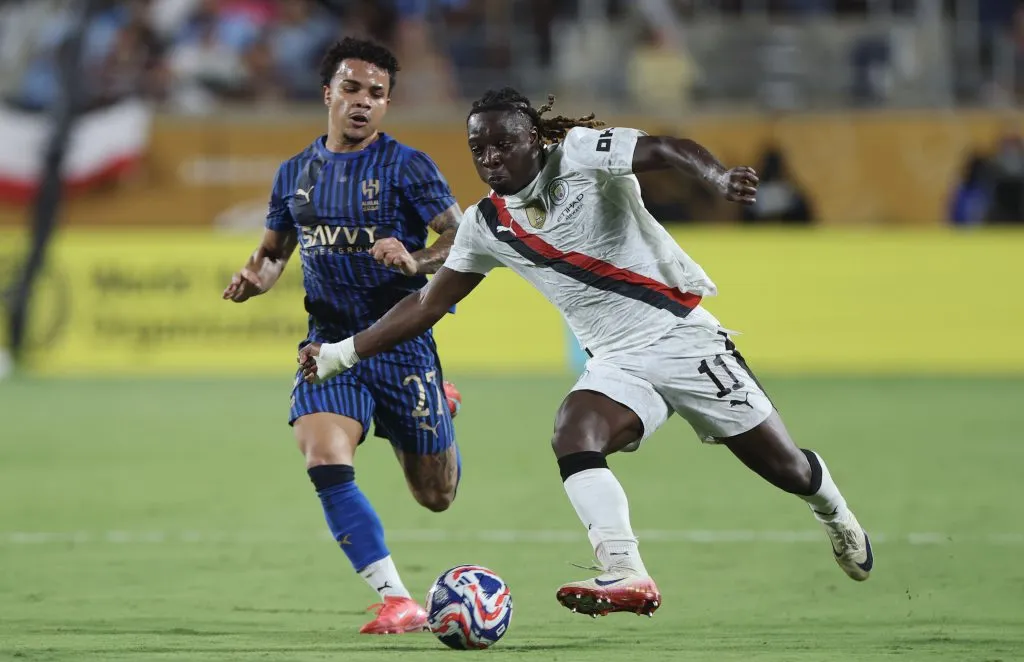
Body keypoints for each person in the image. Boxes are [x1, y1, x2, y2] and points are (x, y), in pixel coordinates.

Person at [297, 88, 873, 618]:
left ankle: (834, 512)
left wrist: (718, 178)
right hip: (618, 361)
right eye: (479, 148)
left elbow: (669, 148)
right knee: (573, 432)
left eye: (503, 143)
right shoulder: (486, 225)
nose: (491, 158)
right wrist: (340, 354)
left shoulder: (579, 154)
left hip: (681, 337)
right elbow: (425, 305)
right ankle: (627, 571)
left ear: (534, 140)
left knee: (787, 469)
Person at [222, 37, 464, 634]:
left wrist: (414, 260)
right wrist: (257, 277)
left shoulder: (409, 166)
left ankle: (443, 406)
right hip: (328, 348)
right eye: (352, 89)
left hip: (401, 343)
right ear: (328, 93)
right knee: (324, 456)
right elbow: (273, 254)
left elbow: (460, 243)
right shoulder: (294, 174)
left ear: (387, 104)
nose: (363, 102)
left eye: (376, 94)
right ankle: (396, 598)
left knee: (435, 496)